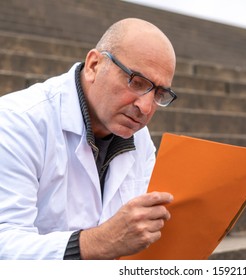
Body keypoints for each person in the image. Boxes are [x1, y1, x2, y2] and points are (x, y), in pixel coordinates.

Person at [0, 18, 177, 260]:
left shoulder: (140, 139)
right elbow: (5, 244)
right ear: (94, 65)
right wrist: (98, 243)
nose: (146, 107)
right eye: (136, 82)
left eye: (159, 93)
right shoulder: (16, 121)